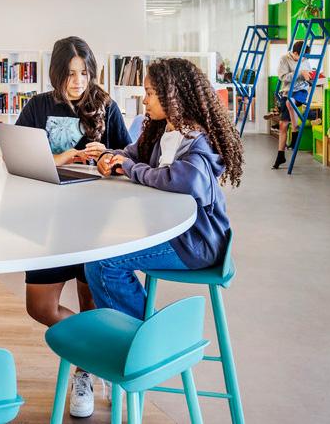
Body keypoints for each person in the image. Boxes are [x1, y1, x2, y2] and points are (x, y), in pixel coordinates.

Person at [15, 36, 131, 418]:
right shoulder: (37, 107)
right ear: (56, 73)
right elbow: (18, 160)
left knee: (90, 300)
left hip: (95, 222)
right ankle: (98, 351)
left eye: (84, 73)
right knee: (39, 306)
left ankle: (85, 371)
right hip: (47, 223)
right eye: (70, 74)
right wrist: (62, 157)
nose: (78, 81)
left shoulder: (106, 106)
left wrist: (108, 155)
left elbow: (131, 156)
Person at [87, 57, 242, 320]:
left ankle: (152, 336)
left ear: (173, 96)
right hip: (171, 232)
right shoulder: (164, 130)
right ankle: (145, 332)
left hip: (196, 242)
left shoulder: (197, 140)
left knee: (102, 264)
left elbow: (183, 180)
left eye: (150, 93)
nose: (145, 101)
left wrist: (130, 168)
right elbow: (131, 155)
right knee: (99, 251)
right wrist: (111, 158)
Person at [273, 40, 312, 169]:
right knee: (283, 125)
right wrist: (299, 73)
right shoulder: (284, 59)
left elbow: (309, 74)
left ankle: (295, 131)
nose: (303, 60)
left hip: (301, 91)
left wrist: (309, 76)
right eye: (301, 57)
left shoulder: (305, 59)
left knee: (290, 102)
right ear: (295, 53)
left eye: (305, 57)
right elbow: (282, 77)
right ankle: (280, 155)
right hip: (287, 91)